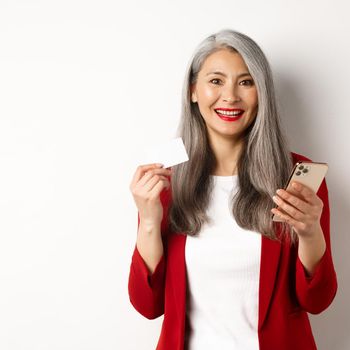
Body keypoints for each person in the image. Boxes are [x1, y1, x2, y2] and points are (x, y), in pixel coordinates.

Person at [128, 29, 338, 350]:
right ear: (192, 91)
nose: (230, 96)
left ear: (261, 93)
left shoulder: (297, 177)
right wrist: (150, 220)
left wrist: (310, 233)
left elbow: (317, 300)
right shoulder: (166, 180)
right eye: (216, 81)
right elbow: (148, 306)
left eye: (246, 82)